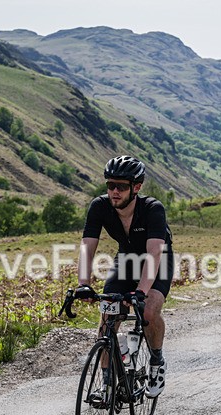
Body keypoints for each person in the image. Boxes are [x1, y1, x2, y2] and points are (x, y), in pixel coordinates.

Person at [75, 155, 173, 398]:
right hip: (126, 260)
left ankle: (157, 362)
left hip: (157, 260)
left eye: (121, 186)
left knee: (148, 311)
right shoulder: (99, 207)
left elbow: (153, 254)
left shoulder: (152, 209)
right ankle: (107, 385)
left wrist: (140, 291)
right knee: (108, 318)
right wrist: (84, 284)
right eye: (110, 185)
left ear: (136, 188)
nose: (114, 191)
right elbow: (88, 247)